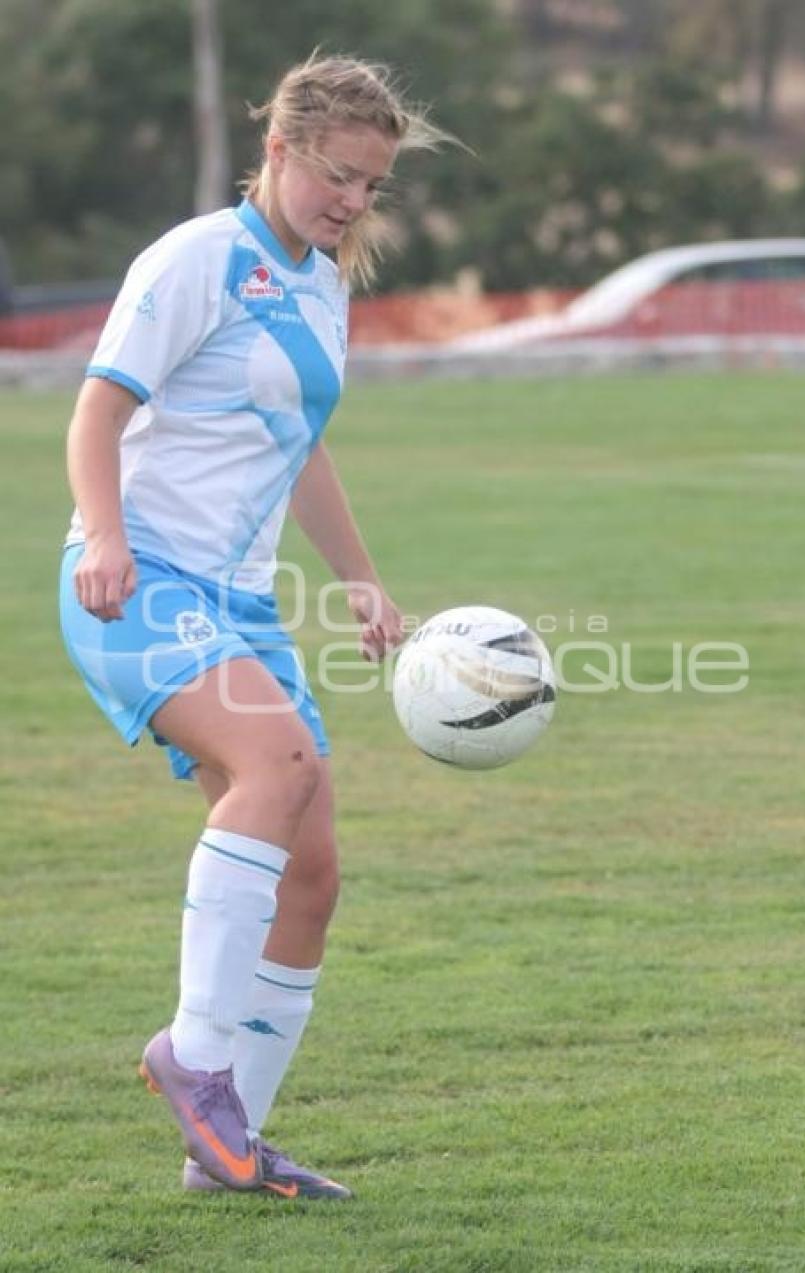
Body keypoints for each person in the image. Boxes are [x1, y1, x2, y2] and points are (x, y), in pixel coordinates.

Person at [59, 52, 450, 1201]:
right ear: (278, 151)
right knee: (275, 764)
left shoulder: (322, 280)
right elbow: (95, 411)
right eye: (337, 174)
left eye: (371, 184)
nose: (351, 201)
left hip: (238, 600)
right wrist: (107, 533)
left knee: (313, 873)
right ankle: (192, 1056)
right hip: (137, 583)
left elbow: (300, 443)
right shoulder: (197, 260)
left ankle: (225, 1152)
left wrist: (360, 579)